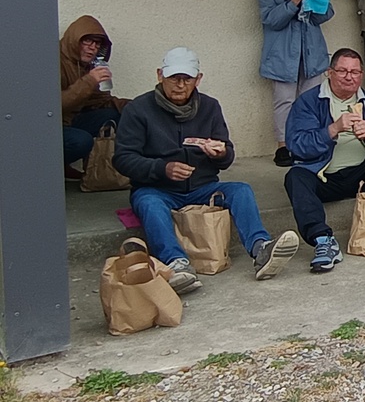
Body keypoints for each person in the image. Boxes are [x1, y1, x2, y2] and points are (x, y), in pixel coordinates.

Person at [113, 47, 299, 293]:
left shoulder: (210, 106)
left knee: (240, 190)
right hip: (157, 188)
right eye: (174, 78)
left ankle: (260, 248)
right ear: (160, 75)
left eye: (187, 79)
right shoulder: (138, 109)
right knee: (149, 203)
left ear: (198, 79)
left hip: (202, 187)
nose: (180, 85)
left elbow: (227, 157)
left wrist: (220, 153)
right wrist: (162, 168)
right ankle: (176, 264)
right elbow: (123, 159)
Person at [284, 48, 365, 272]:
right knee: (295, 176)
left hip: (362, 177)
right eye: (342, 71)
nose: (349, 77)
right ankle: (323, 241)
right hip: (324, 177)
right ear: (330, 73)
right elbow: (296, 145)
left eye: (355, 72)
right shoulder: (309, 101)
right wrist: (332, 129)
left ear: (361, 75)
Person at [258, 0, 334, 168]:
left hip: (311, 53)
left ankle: (308, 144)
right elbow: (271, 20)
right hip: (282, 53)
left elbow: (325, 15)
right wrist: (293, 2)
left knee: (310, 101)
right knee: (284, 100)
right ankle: (283, 146)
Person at [59, 15, 131, 180]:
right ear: (74, 40)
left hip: (73, 120)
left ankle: (118, 170)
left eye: (97, 44)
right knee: (81, 141)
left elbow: (100, 101)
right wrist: (89, 81)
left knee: (118, 115)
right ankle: (56, 166)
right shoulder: (54, 60)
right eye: (87, 41)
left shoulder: (90, 65)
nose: (92, 48)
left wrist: (134, 106)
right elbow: (54, 106)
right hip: (50, 126)